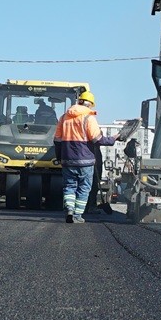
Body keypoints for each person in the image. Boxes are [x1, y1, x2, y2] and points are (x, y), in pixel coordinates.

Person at [55, 90, 115, 223]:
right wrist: (113, 139)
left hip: (67, 160)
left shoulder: (64, 117)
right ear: (89, 104)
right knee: (84, 188)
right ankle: (77, 215)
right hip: (85, 162)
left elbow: (57, 141)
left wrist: (59, 157)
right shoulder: (89, 118)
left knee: (69, 186)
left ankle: (69, 210)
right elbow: (97, 139)